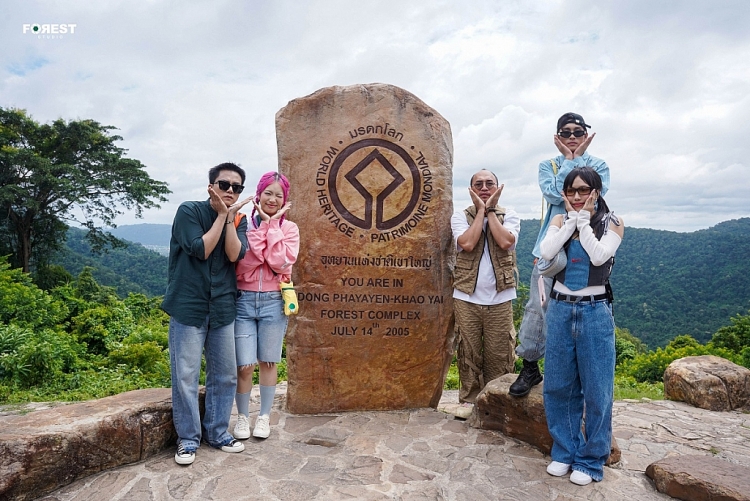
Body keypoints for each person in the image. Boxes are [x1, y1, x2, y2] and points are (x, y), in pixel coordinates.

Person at [509, 112, 610, 397]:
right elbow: (555, 195)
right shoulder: (548, 165)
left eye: (578, 131)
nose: (572, 137)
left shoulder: (599, 165)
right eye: (565, 132)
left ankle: (572, 370)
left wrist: (575, 159)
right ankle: (530, 366)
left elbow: (595, 198)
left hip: (588, 245)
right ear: (557, 136)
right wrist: (569, 159)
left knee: (582, 309)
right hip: (551, 246)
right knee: (537, 308)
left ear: (586, 134)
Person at [162, 162, 252, 465]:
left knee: (225, 374)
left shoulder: (238, 221)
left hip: (223, 307)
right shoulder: (189, 211)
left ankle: (217, 432)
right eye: (224, 185)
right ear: (211, 186)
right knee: (185, 376)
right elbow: (201, 248)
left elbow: (231, 254)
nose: (229, 191)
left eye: (236, 187)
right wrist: (221, 216)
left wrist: (228, 219)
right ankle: (188, 440)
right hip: (189, 307)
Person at [539, 166, 624, 486]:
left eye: (583, 190)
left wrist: (584, 223)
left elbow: (600, 256)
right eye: (571, 191)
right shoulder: (560, 219)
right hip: (560, 310)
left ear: (597, 191)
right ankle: (564, 450)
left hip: (594, 311)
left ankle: (591, 460)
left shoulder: (613, 221)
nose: (577, 197)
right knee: (559, 385)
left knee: (597, 390)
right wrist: (571, 222)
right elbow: (547, 251)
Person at [233, 172, 299, 440]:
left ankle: (263, 417)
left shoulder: (290, 229)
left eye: (278, 195)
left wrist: (272, 226)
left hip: (274, 301)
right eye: (268, 193)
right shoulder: (244, 225)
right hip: (243, 302)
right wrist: (264, 230)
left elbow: (281, 263)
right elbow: (244, 263)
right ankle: (241, 417)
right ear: (258, 195)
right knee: (244, 365)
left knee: (269, 362)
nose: (272, 199)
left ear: (285, 200)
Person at [451, 169, 520, 405]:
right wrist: (480, 210)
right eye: (478, 184)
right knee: (469, 353)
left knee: (499, 354)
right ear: (470, 189)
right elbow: (467, 243)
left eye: (489, 183)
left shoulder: (509, 215)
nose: (484, 187)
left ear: (498, 188)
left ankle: (497, 405)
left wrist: (490, 210)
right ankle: (469, 403)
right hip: (465, 296)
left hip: (500, 297)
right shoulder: (459, 217)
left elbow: (505, 242)